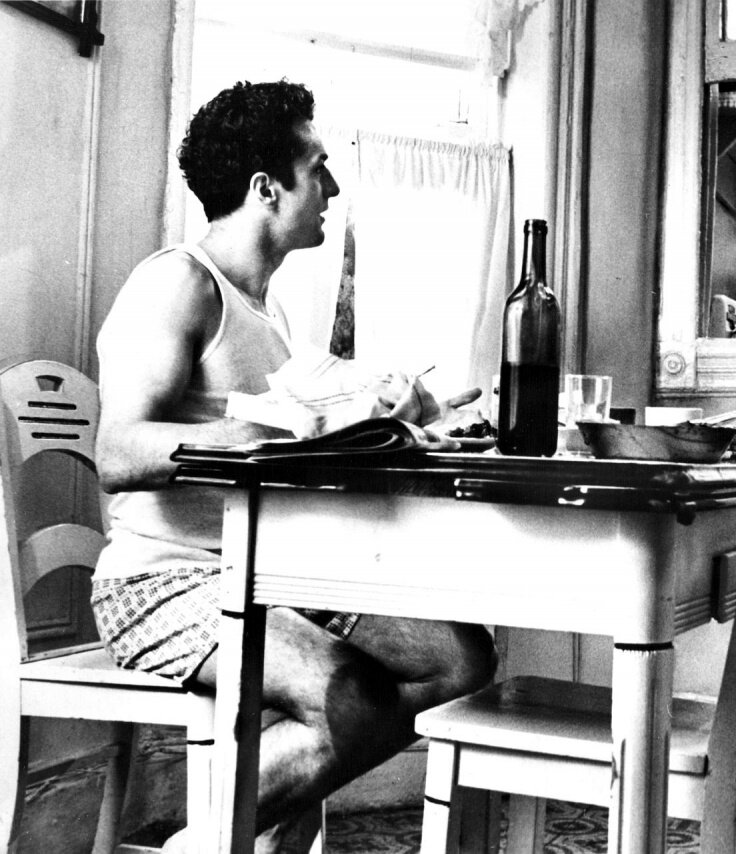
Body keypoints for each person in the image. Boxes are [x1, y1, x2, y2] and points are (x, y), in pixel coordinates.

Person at [90, 80, 495, 853]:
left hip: (263, 573)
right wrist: (254, 437)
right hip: (161, 583)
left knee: (460, 659)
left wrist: (399, 428)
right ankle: (203, 845)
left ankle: (242, 836)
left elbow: (295, 440)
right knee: (355, 698)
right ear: (265, 188)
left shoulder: (268, 314)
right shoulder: (177, 282)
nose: (333, 188)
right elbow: (118, 451)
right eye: (318, 168)